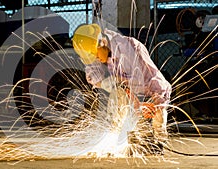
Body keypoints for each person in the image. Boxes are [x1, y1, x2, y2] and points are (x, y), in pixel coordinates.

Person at [72, 24, 172, 152]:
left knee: (159, 115)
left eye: (96, 56)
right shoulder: (95, 48)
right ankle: (114, 138)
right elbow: (93, 77)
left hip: (150, 94)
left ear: (102, 43)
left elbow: (158, 83)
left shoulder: (130, 49)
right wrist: (113, 84)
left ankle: (159, 141)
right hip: (130, 93)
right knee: (117, 95)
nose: (96, 60)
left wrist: (156, 104)